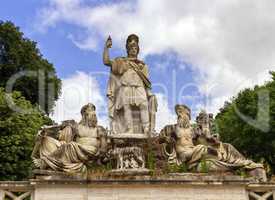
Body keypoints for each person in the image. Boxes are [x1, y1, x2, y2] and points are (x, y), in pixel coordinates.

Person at [103, 34, 157, 135]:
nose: (133, 49)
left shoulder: (143, 65)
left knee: (144, 105)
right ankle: (129, 129)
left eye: (135, 47)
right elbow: (106, 61)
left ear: (138, 49)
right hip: (125, 86)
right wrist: (106, 48)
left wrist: (149, 93)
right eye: (131, 47)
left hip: (139, 87)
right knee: (126, 107)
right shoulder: (121, 61)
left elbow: (147, 83)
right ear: (127, 49)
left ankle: (146, 129)